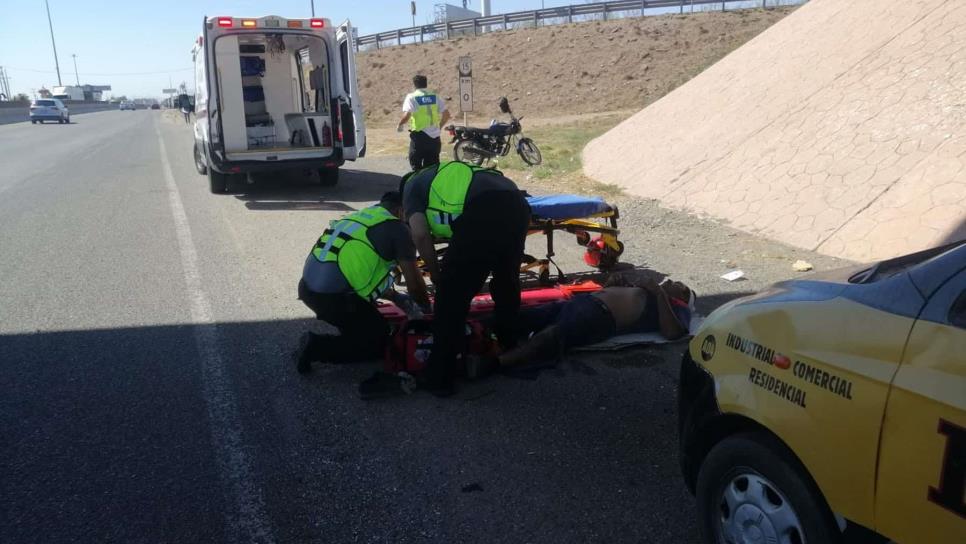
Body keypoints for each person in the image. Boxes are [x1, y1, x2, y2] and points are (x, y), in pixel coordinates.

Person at [401, 161, 530, 395]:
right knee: (506, 281)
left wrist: (437, 274)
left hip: (484, 207)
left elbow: (419, 233)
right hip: (516, 201)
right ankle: (509, 345)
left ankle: (439, 378)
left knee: (451, 298)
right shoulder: (444, 174)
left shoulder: (410, 188)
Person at [295, 191, 430, 374]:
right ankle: (316, 347)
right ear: (401, 211)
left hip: (308, 289)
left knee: (367, 326)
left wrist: (396, 296)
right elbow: (414, 284)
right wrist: (425, 312)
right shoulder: (398, 229)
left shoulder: (360, 219)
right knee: (377, 344)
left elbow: (358, 268)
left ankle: (353, 331)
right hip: (333, 300)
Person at [467, 277, 695, 378]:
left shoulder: (676, 307)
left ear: (683, 296)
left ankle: (491, 364)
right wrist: (611, 285)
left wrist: (660, 293)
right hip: (579, 304)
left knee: (552, 335)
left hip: (599, 317)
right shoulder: (655, 294)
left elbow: (673, 332)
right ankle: (465, 331)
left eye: (677, 284)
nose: (669, 282)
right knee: (518, 317)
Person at [397, 75, 451, 171]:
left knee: (416, 165)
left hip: (420, 136)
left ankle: (418, 184)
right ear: (426, 84)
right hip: (435, 138)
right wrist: (439, 126)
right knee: (432, 168)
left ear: (414, 85)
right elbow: (446, 114)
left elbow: (407, 115)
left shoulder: (412, 97)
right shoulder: (434, 96)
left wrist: (400, 124)